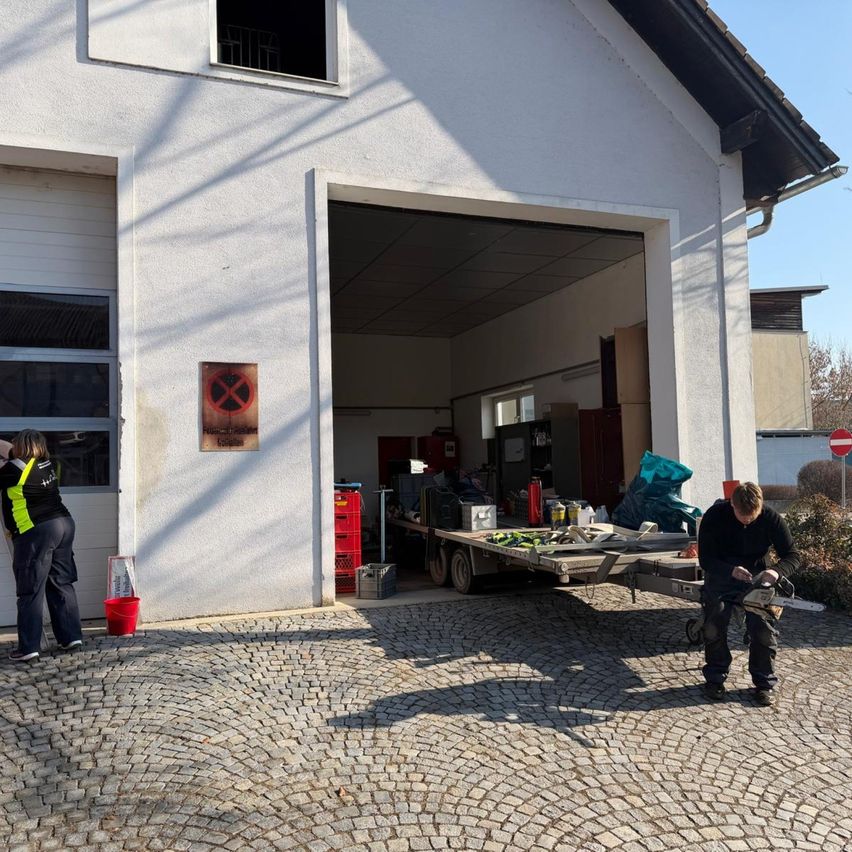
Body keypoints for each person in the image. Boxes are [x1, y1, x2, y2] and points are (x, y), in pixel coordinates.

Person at [698, 481, 799, 706]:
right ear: (731, 504)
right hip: (722, 578)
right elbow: (705, 559)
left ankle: (764, 684)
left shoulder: (771, 517)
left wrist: (775, 571)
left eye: (752, 517)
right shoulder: (715, 516)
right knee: (714, 626)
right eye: (742, 515)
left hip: (758, 579)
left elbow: (792, 555)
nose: (747, 520)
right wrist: (730, 570)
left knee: (762, 629)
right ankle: (715, 678)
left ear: (760, 507)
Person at [0, 430, 83, 662]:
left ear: (21, 446)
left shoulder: (14, 470)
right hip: (64, 525)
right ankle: (71, 637)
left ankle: (28, 648)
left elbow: (8, 460)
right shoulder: (46, 463)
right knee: (61, 582)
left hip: (38, 531)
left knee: (30, 590)